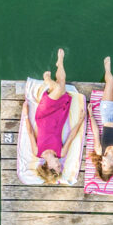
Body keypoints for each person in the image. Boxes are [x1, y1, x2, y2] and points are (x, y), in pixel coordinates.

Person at [22, 48, 78, 184]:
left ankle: (47, 79)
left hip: (44, 115)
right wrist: (81, 119)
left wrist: (25, 114)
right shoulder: (61, 153)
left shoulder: (37, 151)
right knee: (62, 83)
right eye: (61, 166)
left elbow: (29, 132)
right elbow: (71, 136)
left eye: (57, 166)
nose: (60, 163)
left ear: (49, 167)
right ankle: (60, 63)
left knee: (59, 89)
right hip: (59, 116)